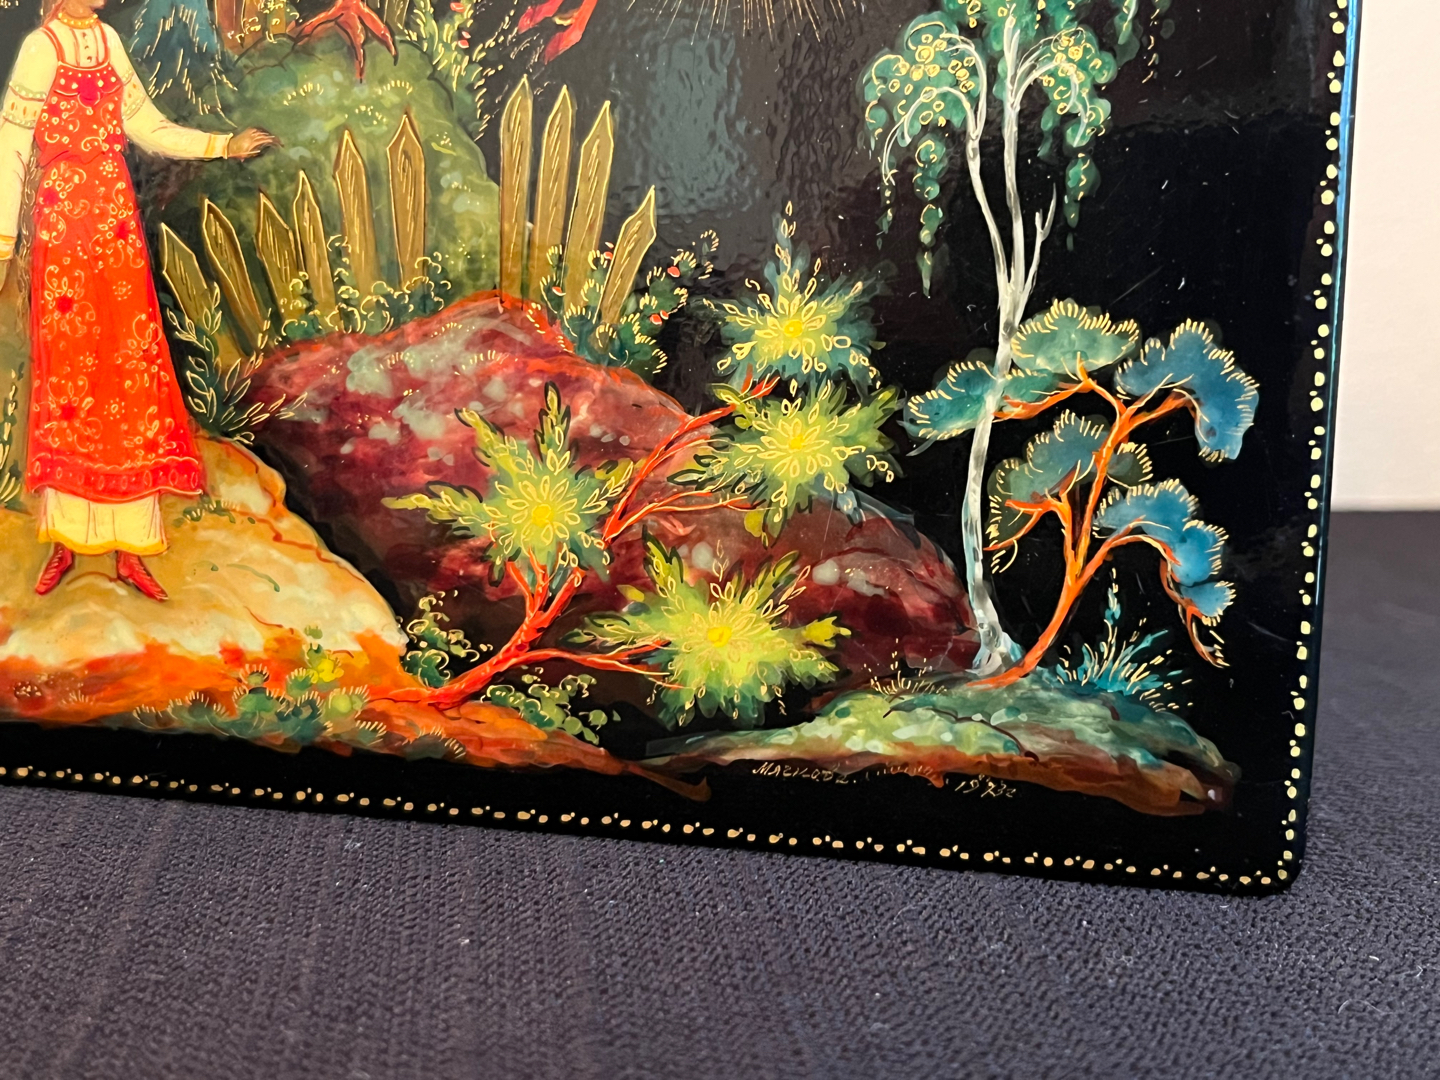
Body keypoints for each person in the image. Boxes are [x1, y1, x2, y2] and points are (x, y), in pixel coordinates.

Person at [0, 0, 276, 601]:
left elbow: (148, 126)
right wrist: (2, 244)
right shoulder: (40, 49)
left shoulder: (108, 40)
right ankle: (65, 540)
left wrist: (223, 145)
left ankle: (132, 548)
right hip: (63, 228)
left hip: (116, 225)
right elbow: (12, 148)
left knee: (128, 371)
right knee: (71, 374)